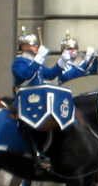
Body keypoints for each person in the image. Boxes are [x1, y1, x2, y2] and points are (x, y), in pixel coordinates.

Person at [12, 28, 69, 173]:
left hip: (40, 99)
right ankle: (36, 154)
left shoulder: (35, 62)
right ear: (23, 47)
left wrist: (62, 62)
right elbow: (25, 75)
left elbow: (49, 75)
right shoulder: (19, 62)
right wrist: (38, 60)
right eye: (32, 45)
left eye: (36, 45)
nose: (36, 47)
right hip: (26, 99)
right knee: (28, 124)